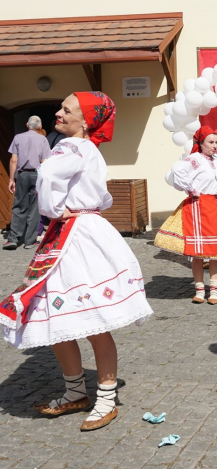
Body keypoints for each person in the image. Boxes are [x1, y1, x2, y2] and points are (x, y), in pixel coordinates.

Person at [0, 92, 153, 431]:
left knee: (87, 319)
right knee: (57, 315)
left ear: (86, 121)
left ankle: (104, 398)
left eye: (66, 110)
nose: (58, 113)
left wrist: (55, 210)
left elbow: (48, 176)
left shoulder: (73, 147)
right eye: (61, 108)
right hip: (77, 230)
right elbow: (98, 191)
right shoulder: (83, 148)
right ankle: (78, 393)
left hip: (75, 234)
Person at [155, 126, 217, 304]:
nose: (215, 146)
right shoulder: (195, 159)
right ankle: (200, 290)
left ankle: (214, 291)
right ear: (200, 143)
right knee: (198, 253)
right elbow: (178, 172)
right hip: (197, 206)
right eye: (210, 142)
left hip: (213, 206)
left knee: (215, 251)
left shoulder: (216, 160)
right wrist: (192, 189)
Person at [4, 115, 51, 250]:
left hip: (23, 174)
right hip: (37, 174)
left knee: (19, 206)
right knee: (35, 208)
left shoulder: (18, 138)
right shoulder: (43, 139)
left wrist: (12, 179)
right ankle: (30, 241)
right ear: (40, 127)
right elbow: (45, 161)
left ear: (27, 124)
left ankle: (13, 238)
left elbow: (13, 160)